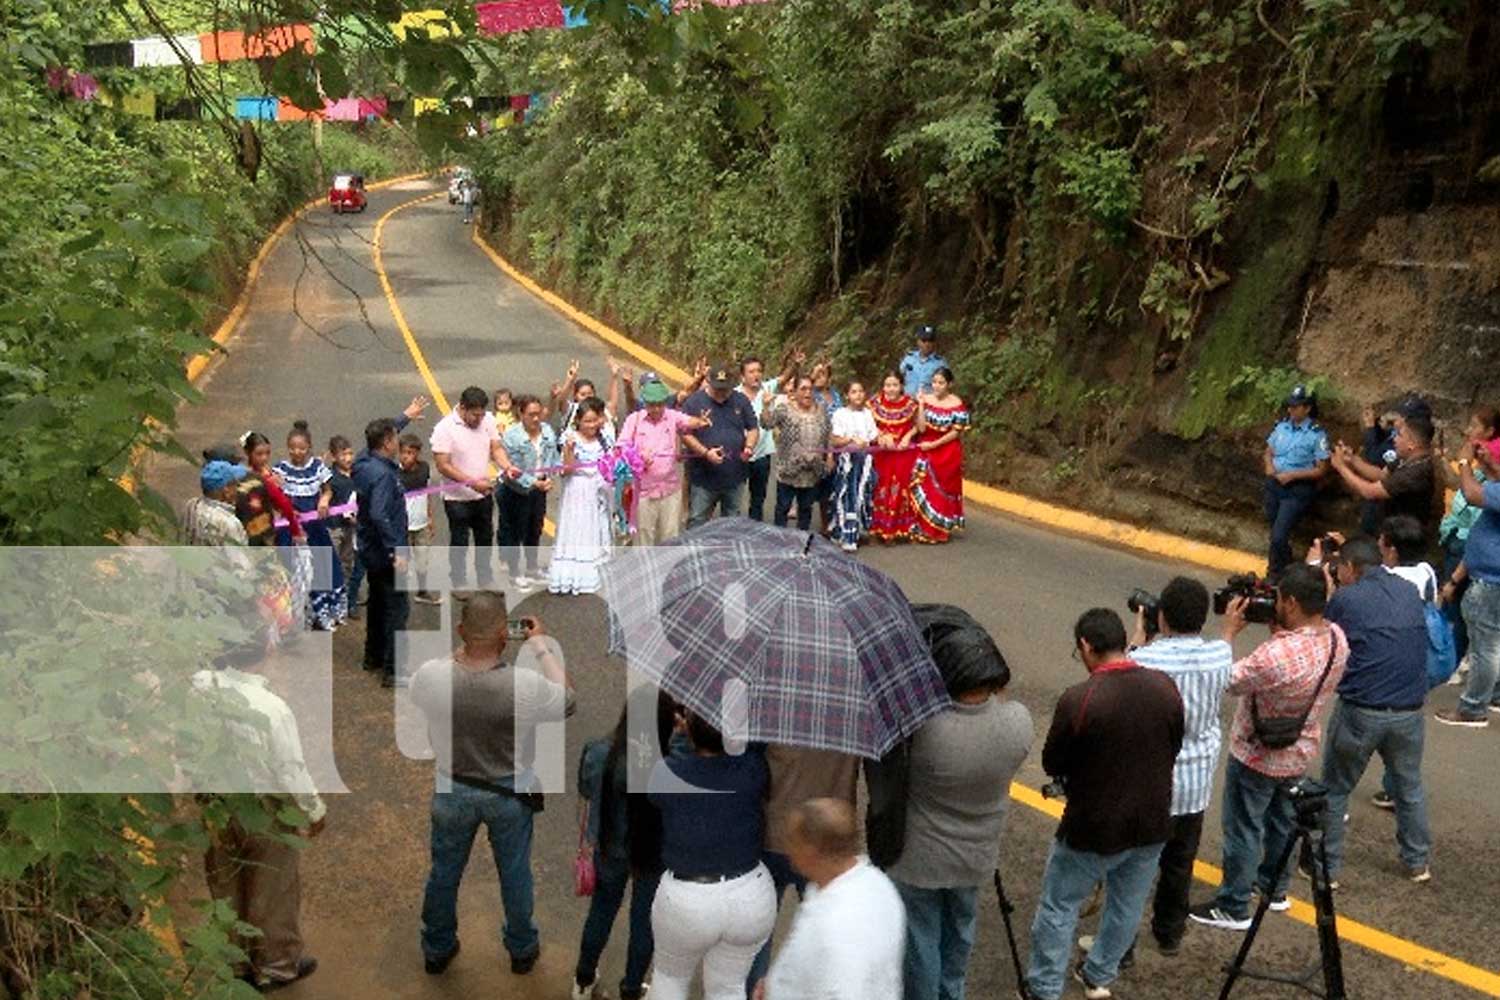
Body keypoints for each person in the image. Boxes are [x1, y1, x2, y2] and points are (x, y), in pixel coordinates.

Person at [407, 597, 575, 976]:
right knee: (515, 873)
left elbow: (419, 689)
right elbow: (567, 700)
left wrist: (460, 652)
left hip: (452, 786)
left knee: (444, 873)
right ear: (506, 636)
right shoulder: (523, 685)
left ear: (461, 630)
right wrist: (541, 647)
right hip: (509, 791)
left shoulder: (434, 675)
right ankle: (521, 948)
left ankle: (437, 947)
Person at [1025, 609, 1183, 1000]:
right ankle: (1099, 974)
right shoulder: (1164, 687)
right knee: (1126, 906)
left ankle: (1044, 987)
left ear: (1085, 646)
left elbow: (1052, 763)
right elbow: (1173, 744)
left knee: (1059, 907)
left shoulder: (1081, 699)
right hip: (1152, 822)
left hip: (1092, 827)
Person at [882, 611, 1033, 1000]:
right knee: (960, 933)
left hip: (919, 858)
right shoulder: (1018, 722)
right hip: (975, 857)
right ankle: (953, 993)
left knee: (921, 941)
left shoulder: (924, 729)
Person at [1189, 563, 1348, 930]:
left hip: (1256, 755)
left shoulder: (1275, 656)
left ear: (1290, 602)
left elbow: (1226, 680)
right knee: (1282, 823)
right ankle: (1274, 890)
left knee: (1244, 828)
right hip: (1298, 750)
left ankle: (1233, 905)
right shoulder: (1339, 639)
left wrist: (1228, 633)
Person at [195, 641, 326, 991]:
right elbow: (290, 770)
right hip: (266, 807)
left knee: (225, 880)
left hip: (216, 803)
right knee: (273, 886)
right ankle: (275, 965)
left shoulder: (199, 687)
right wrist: (314, 809)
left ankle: (234, 962)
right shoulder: (272, 708)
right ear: (265, 652)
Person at [1124, 577, 1232, 957]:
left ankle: (1122, 943)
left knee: (1135, 867)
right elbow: (1224, 646)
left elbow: (1122, 676)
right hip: (1195, 782)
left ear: (1162, 616)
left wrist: (1139, 635)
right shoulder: (1220, 656)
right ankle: (1169, 932)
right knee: (1179, 862)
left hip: (1151, 783)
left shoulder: (1143, 660)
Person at [1314, 535, 1432, 884]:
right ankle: (1417, 862)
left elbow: (1325, 635)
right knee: (1408, 787)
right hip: (1410, 709)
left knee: (1335, 790)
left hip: (1362, 710)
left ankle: (1327, 868)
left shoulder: (1347, 598)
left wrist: (1326, 588)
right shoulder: (1408, 591)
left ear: (1349, 567)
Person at [647, 714, 776, 1000]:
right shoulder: (753, 768)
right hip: (751, 896)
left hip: (687, 900)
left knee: (670, 979)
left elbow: (656, 793)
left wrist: (682, 737)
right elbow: (754, 748)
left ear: (691, 731)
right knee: (728, 987)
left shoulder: (667, 773)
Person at [572, 688, 674, 1000]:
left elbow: (586, 796)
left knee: (601, 912)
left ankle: (583, 979)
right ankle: (631, 988)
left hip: (608, 847)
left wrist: (588, 839)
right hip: (652, 854)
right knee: (644, 922)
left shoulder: (599, 752)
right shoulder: (671, 765)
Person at [755, 799, 906, 1000]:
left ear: (811, 850)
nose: (788, 849)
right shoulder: (877, 885)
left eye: (793, 841)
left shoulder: (836, 927)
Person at [746, 745, 859, 992]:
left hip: (775, 828)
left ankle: (755, 991)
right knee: (825, 934)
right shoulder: (854, 712)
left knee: (758, 936)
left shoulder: (776, 708)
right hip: (828, 841)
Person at [1435, 435, 1500, 727]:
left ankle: (1473, 709)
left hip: (1490, 580)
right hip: (1489, 577)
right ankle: (1495, 695)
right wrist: (1484, 461)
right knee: (1493, 644)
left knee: (1484, 647)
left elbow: (1473, 494)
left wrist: (1463, 462)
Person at [430, 386, 515, 595]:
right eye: (474, 415)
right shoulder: (445, 428)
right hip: (456, 497)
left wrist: (507, 466)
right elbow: (443, 465)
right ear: (462, 408)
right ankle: (458, 581)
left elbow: (496, 448)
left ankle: (485, 578)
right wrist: (472, 483)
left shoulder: (488, 420)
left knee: (485, 537)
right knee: (460, 540)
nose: (479, 419)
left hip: (483, 493)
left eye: (481, 414)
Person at [273, 421, 346, 630]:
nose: (297, 452)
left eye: (302, 448)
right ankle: (291, 616)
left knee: (320, 568)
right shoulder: (280, 469)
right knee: (291, 569)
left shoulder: (317, 467)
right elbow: (274, 497)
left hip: (314, 528)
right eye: (293, 448)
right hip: (289, 530)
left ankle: (321, 613)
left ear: (309, 448)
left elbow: (328, 489)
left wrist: (324, 500)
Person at [354, 417, 410, 688]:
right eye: (394, 437)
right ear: (387, 442)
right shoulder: (385, 475)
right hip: (386, 553)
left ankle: (372, 656)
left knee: (377, 604)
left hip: (369, 550)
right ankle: (394, 669)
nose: (398, 441)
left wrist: (404, 417)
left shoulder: (363, 464)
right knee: (397, 610)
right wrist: (396, 549)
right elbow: (379, 513)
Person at [618, 379, 706, 545]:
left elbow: (688, 421)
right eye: (652, 405)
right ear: (645, 403)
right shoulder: (634, 420)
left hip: (670, 490)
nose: (657, 409)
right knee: (644, 538)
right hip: (643, 492)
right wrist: (639, 455)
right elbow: (621, 447)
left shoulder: (672, 416)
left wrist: (701, 422)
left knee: (670, 536)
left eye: (660, 404)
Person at [1331, 411, 1437, 538]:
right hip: (1387, 525)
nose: (1395, 439)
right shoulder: (1406, 458)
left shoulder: (1416, 472)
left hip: (1403, 536)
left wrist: (1341, 467)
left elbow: (1369, 492)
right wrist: (1352, 459)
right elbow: (1381, 475)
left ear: (1412, 444)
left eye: (1400, 435)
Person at [680, 362, 760, 528]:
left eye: (725, 389)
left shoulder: (740, 400)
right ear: (708, 382)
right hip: (703, 477)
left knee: (731, 522)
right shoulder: (694, 402)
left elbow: (753, 427)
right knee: (698, 520)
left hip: (735, 476)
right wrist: (704, 452)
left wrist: (749, 446)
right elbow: (684, 433)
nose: (722, 393)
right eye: (718, 389)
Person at [1262, 385, 1330, 579]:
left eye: (1296, 406)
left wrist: (1294, 475)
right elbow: (1268, 451)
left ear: (1307, 408)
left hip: (1296, 490)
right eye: (1289, 406)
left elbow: (1322, 469)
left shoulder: (1317, 434)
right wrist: (1268, 466)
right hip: (1274, 485)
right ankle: (1286, 567)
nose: (1290, 410)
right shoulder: (1281, 426)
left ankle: (1274, 574)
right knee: (1276, 533)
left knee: (1278, 535)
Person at [550, 397, 614, 595]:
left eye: (595, 420)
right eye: (587, 421)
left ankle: (592, 574)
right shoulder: (570, 438)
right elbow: (566, 471)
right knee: (575, 528)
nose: (592, 425)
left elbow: (610, 463)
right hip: (576, 491)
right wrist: (568, 450)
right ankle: (570, 576)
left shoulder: (604, 438)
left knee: (594, 529)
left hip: (598, 491)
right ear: (578, 421)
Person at [498, 394, 558, 591]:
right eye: (531, 414)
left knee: (535, 528)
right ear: (520, 414)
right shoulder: (512, 437)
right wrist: (533, 482)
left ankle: (532, 567)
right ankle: (515, 573)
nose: (535, 419)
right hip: (516, 491)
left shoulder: (547, 432)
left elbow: (553, 458)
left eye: (538, 414)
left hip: (539, 490)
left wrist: (549, 477)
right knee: (516, 531)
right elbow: (512, 469)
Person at [762, 376, 832, 532]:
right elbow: (767, 424)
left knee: (806, 509)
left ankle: (801, 543)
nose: (808, 393)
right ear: (794, 392)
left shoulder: (821, 409)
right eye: (803, 389)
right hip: (788, 470)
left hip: (812, 469)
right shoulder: (784, 409)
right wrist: (766, 406)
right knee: (783, 508)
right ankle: (780, 542)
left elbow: (828, 434)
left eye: (810, 389)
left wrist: (830, 457)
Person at [909, 368, 970, 544]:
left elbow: (955, 433)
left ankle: (939, 529)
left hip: (946, 450)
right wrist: (920, 405)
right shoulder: (926, 400)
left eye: (941, 382)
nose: (937, 386)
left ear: (949, 384)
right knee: (922, 485)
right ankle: (923, 527)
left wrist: (934, 445)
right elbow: (921, 428)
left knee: (943, 490)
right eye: (934, 382)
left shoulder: (956, 404)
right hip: (925, 447)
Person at [737, 354, 793, 522]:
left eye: (759, 371)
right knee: (734, 497)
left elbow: (784, 378)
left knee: (758, 498)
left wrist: (795, 364)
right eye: (751, 371)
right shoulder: (734, 395)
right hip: (740, 454)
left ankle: (755, 530)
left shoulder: (767, 389)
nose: (756, 375)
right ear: (743, 376)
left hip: (762, 455)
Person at [870, 372, 920, 542]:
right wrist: (881, 435)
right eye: (887, 385)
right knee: (881, 486)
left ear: (901, 386)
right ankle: (879, 527)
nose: (890, 389)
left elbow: (919, 427)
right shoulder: (875, 403)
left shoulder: (911, 404)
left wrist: (907, 436)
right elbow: (869, 424)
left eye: (894, 385)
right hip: (882, 453)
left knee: (900, 487)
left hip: (903, 453)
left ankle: (900, 528)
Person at [830, 381, 879, 552]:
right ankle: (845, 534)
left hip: (865, 462)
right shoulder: (840, 414)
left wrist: (867, 443)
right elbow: (835, 440)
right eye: (853, 392)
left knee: (862, 495)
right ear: (847, 395)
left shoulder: (868, 414)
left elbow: (873, 437)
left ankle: (856, 531)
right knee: (847, 495)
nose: (857, 395)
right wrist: (851, 440)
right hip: (847, 463)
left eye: (860, 391)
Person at [398, 433, 440, 605]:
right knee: (401, 561)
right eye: (405, 453)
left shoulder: (424, 469)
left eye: (412, 453)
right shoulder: (394, 473)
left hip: (421, 523)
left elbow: (428, 493)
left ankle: (422, 591)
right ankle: (398, 595)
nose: (408, 457)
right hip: (402, 526)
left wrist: (431, 517)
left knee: (422, 560)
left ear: (418, 454)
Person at [325, 435, 360, 614]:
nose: (347, 458)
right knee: (333, 562)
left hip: (350, 528)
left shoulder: (356, 473)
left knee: (347, 561)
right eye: (342, 454)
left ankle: (343, 596)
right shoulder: (330, 478)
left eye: (349, 453)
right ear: (333, 457)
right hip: (334, 527)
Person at [808, 362, 844, 533]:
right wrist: (813, 373)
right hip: (818, 445)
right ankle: (821, 525)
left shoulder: (836, 395)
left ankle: (833, 522)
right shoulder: (810, 394)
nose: (820, 377)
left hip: (837, 444)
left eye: (823, 374)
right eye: (818, 374)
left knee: (834, 487)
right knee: (817, 488)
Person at [184, 460, 251, 546]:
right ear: (226, 490)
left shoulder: (191, 505)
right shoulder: (230, 524)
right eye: (235, 484)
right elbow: (239, 558)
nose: (238, 489)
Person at [899, 324, 946, 399]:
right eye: (924, 340)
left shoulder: (940, 364)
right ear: (918, 341)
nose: (927, 344)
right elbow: (898, 380)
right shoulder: (908, 359)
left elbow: (945, 389)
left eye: (930, 341)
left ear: (934, 343)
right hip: (907, 403)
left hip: (929, 404)